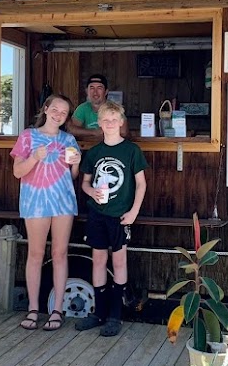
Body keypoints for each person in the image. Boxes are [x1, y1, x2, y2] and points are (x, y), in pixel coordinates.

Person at [75, 100, 147, 337]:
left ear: (121, 122)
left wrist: (134, 211)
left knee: (118, 263)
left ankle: (115, 315)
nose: (110, 123)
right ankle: (98, 313)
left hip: (120, 216)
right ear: (100, 123)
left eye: (114, 120)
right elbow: (84, 182)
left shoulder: (131, 150)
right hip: (97, 214)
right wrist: (90, 192)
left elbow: (141, 184)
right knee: (97, 261)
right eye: (105, 120)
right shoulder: (94, 153)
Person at [10, 94, 81, 332]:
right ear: (46, 108)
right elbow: (18, 172)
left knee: (60, 254)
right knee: (36, 254)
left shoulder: (69, 138)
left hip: (63, 202)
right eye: (56, 109)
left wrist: (77, 163)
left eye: (64, 112)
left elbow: (71, 176)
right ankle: (33, 308)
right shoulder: (28, 136)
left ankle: (57, 310)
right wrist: (34, 157)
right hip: (35, 202)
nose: (59, 114)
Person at [69, 74, 129, 138]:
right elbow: (72, 130)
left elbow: (123, 132)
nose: (95, 92)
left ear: (106, 92)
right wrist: (94, 132)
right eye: (92, 88)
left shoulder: (113, 108)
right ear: (87, 91)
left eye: (99, 88)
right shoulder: (82, 108)